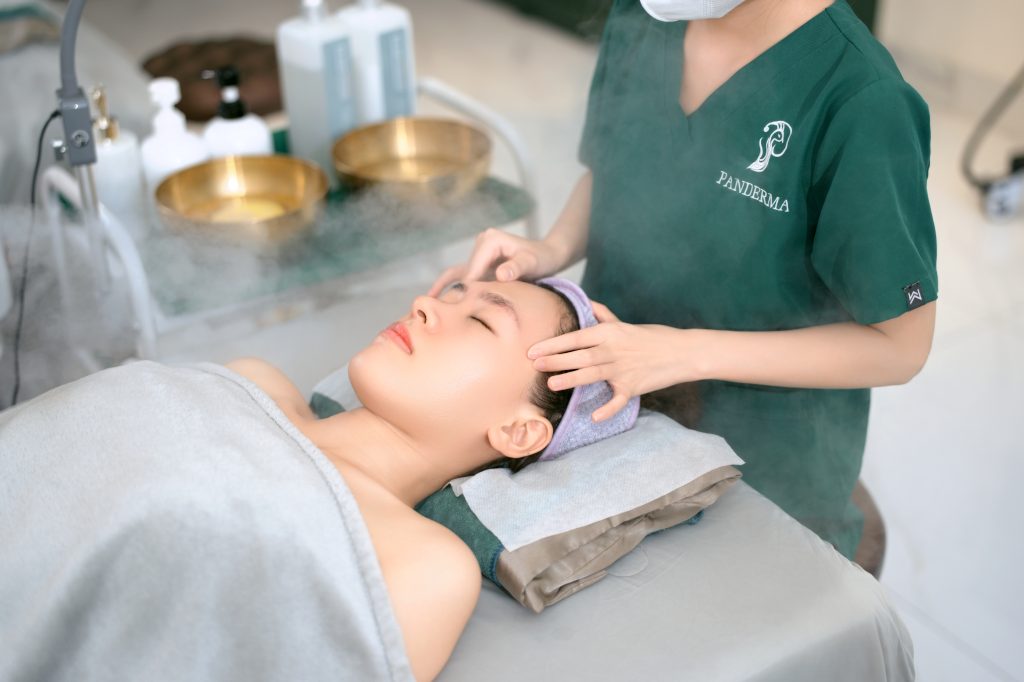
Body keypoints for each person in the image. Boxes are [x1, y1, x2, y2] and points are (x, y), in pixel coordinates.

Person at [429, 0, 938, 560]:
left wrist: (680, 353)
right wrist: (552, 248)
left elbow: (900, 349)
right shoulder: (650, 16)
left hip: (766, 463)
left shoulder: (862, 101)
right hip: (611, 418)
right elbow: (614, 165)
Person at [0, 278, 631, 682]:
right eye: (455, 292)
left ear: (518, 432)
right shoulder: (253, 379)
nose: (427, 303)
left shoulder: (424, 564)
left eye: (481, 321)